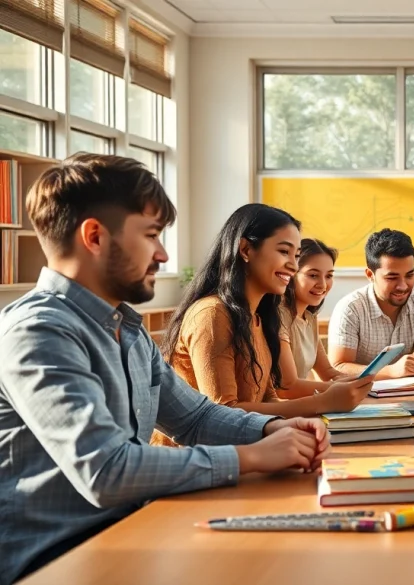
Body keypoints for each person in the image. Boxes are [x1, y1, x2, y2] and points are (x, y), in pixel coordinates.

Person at [0, 154, 330, 585]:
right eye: (151, 235)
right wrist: (250, 456)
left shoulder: (127, 330)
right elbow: (106, 471)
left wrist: (272, 428)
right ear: (95, 237)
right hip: (55, 559)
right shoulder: (39, 331)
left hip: (130, 532)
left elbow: (195, 417)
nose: (163, 253)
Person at [154, 204, 373, 449]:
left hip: (246, 451)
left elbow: (268, 400)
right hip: (195, 460)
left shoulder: (259, 317)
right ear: (246, 249)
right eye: (284, 251)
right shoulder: (213, 313)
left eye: (296, 256)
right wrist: (323, 402)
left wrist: (323, 404)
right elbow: (222, 414)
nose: (293, 265)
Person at [328, 228, 414, 380]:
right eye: (392, 278)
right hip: (360, 392)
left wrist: (407, 367)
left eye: (409, 275)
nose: (403, 286)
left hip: (405, 392)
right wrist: (390, 371)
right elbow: (338, 367)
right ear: (370, 275)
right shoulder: (350, 308)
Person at [277, 238, 350, 398]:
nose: (323, 285)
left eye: (329, 276)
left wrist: (363, 381)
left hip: (305, 404)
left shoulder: (309, 317)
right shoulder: (279, 316)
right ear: (291, 274)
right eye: (313, 275)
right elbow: (286, 388)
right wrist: (335, 388)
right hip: (284, 408)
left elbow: (328, 373)